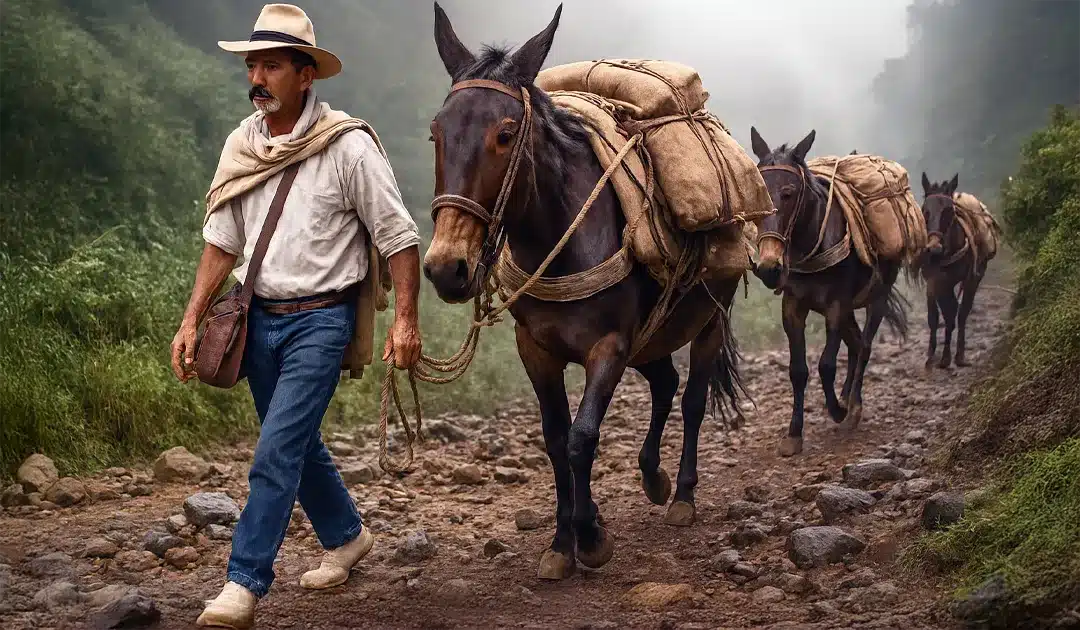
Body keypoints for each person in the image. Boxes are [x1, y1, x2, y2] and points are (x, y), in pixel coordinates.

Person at [168, 4, 422, 627]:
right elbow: (221, 240)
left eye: (272, 65)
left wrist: (406, 320)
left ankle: (243, 583)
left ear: (306, 75)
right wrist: (191, 317)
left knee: (275, 451)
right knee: (299, 444)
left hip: (321, 321)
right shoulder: (242, 144)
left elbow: (399, 237)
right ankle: (347, 536)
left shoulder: (349, 147)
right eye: (253, 64)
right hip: (258, 320)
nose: (258, 76)